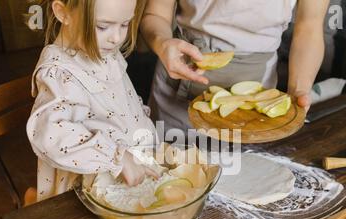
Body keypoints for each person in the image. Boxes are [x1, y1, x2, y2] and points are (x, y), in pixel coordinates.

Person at [0, 0, 158, 219]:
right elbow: (50, 134)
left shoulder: (102, 50)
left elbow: (121, 104)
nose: (117, 38)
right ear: (62, 12)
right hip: (81, 184)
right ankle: (18, 218)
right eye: (103, 26)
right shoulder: (59, 73)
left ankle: (32, 199)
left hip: (119, 173)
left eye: (125, 24)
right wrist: (117, 156)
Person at [141, 0, 330, 132]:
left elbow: (309, 28)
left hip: (255, 101)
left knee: (242, 180)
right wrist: (163, 43)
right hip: (178, 83)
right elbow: (156, 13)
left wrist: (299, 90)